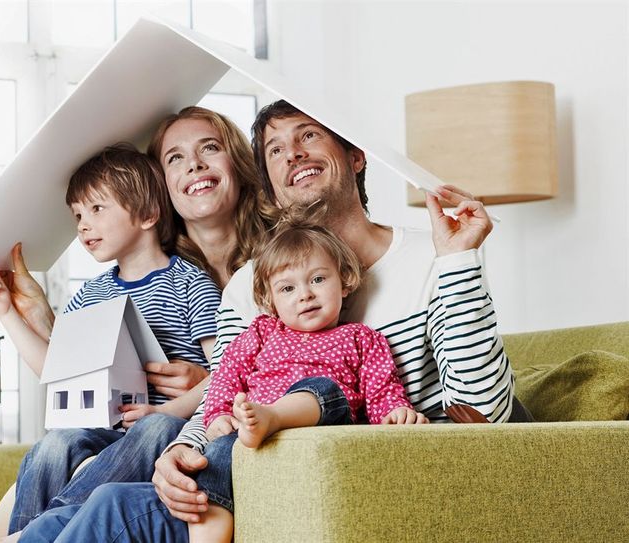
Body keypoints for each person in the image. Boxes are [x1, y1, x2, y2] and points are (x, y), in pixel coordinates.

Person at [42, 99, 519, 543]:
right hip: (241, 475)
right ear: (267, 182)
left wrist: (459, 261)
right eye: (275, 148)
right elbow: (223, 388)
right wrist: (175, 455)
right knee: (105, 504)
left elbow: (483, 413)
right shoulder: (249, 287)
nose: (293, 154)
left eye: (308, 135)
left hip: (366, 481)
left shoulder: (436, 255)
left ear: (355, 156)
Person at [0, 108, 272, 542]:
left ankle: (39, 534)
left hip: (167, 423)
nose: (84, 226)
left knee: (154, 427)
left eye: (97, 209)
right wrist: (7, 313)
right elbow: (58, 371)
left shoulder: (189, 282)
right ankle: (24, 535)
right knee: (56, 443)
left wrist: (167, 408)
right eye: (78, 215)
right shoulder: (91, 294)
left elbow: (224, 371)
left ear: (147, 214)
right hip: (104, 427)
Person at [191, 220, 428, 542]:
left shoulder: (361, 337)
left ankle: (271, 417)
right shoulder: (262, 332)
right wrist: (218, 414)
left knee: (322, 388)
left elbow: (382, 389)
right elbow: (227, 374)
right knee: (217, 454)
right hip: (250, 433)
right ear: (270, 299)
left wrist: (395, 412)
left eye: (317, 279)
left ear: (344, 281)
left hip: (322, 424)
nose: (305, 295)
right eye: (288, 288)